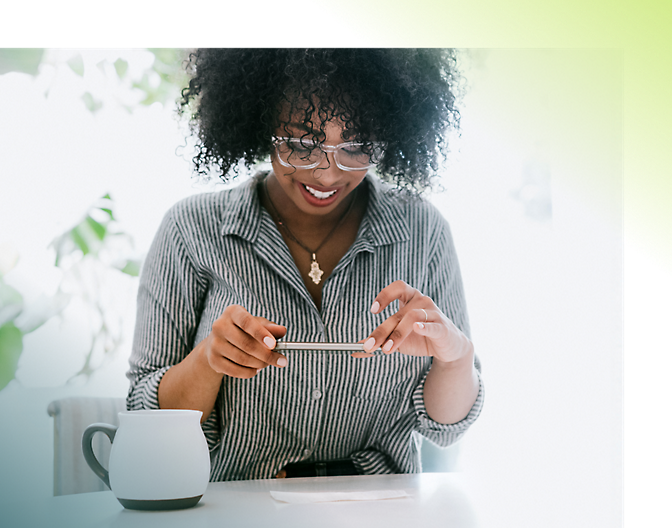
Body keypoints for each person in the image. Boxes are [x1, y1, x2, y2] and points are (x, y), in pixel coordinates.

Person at [127, 48, 483, 481]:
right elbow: (145, 415)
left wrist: (456, 358)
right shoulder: (192, 229)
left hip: (382, 510)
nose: (328, 175)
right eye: (300, 145)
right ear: (260, 122)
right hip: (239, 510)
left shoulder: (422, 229)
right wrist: (208, 361)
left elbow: (446, 428)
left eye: (357, 147)